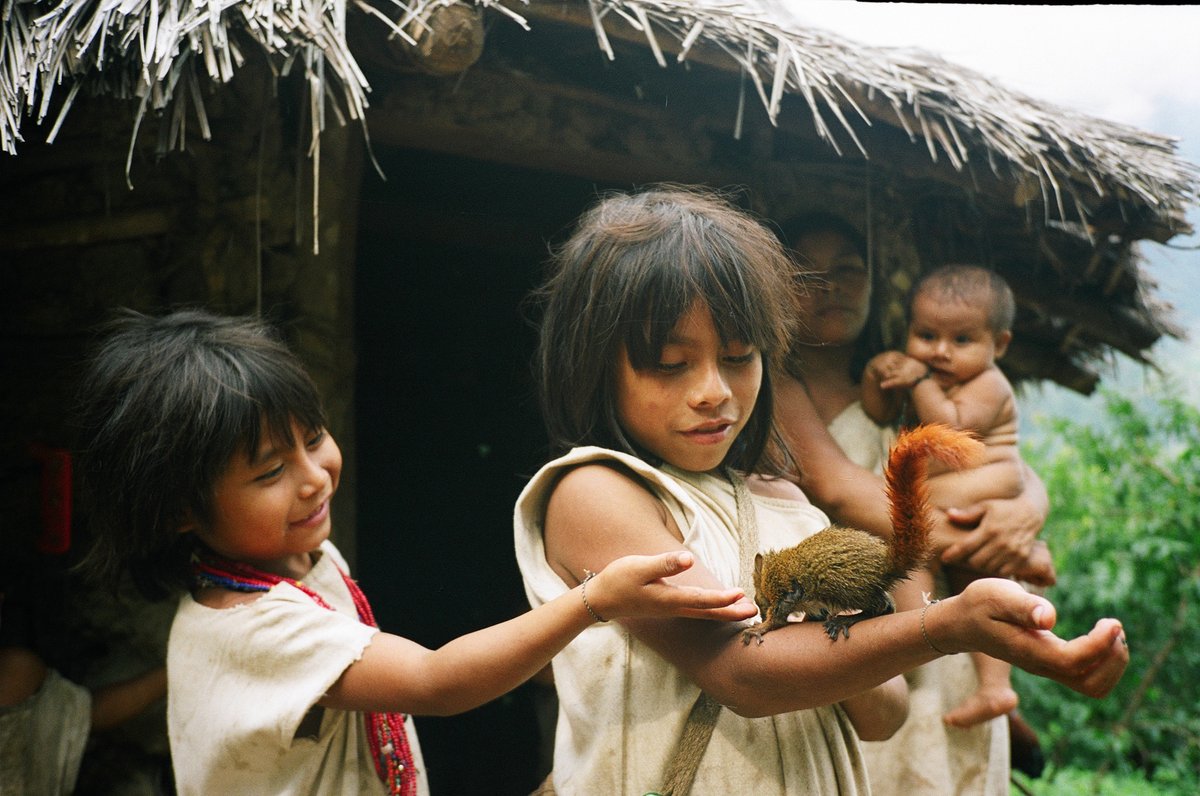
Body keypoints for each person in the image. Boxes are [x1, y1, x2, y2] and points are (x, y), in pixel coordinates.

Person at [515, 186, 1127, 795]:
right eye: (672, 364)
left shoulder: (785, 505)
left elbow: (884, 715)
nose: (714, 391)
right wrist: (948, 626)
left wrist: (829, 614)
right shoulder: (595, 493)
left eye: (739, 356)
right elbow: (744, 676)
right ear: (594, 363)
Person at [70, 309, 758, 796]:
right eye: (268, 472)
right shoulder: (250, 626)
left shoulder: (297, 565)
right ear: (182, 511)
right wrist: (591, 603)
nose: (313, 476)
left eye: (312, 439)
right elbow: (436, 683)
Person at [774, 212, 1050, 791]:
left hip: (960, 632)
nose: (834, 286)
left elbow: (1000, 461)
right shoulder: (774, 385)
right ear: (775, 286)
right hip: (869, 638)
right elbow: (841, 492)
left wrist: (1028, 509)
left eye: (849, 269)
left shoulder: (905, 380)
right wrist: (1002, 546)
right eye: (809, 274)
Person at [861, 263, 1028, 730]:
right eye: (926, 334)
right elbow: (878, 414)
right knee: (915, 563)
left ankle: (996, 687)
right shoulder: (929, 378)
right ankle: (914, 640)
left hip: (983, 500)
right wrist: (879, 379)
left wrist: (918, 382)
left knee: (989, 581)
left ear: (999, 345)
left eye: (961, 341)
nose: (939, 351)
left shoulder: (987, 384)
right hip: (942, 505)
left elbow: (949, 433)